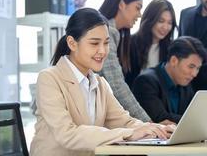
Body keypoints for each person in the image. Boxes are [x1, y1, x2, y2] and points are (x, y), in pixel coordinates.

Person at [30, 8, 174, 156]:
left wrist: (157, 129)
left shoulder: (100, 83)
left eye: (106, 43)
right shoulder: (49, 78)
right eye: (94, 43)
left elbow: (125, 121)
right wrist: (130, 134)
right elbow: (67, 134)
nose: (102, 51)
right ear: (72, 43)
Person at [99, 0, 151, 122]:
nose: (139, 15)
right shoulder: (107, 32)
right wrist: (148, 123)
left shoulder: (113, 32)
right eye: (137, 8)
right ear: (122, 4)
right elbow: (116, 85)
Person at [132, 36, 207, 125]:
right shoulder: (146, 81)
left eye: (198, 68)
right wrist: (199, 121)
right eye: (191, 66)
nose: (194, 74)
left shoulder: (185, 84)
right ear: (174, 61)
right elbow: (160, 118)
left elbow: (193, 115)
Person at [125, 0, 177, 89]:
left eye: (170, 23)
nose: (165, 27)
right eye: (161, 21)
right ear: (150, 19)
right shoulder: (129, 44)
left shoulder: (171, 48)